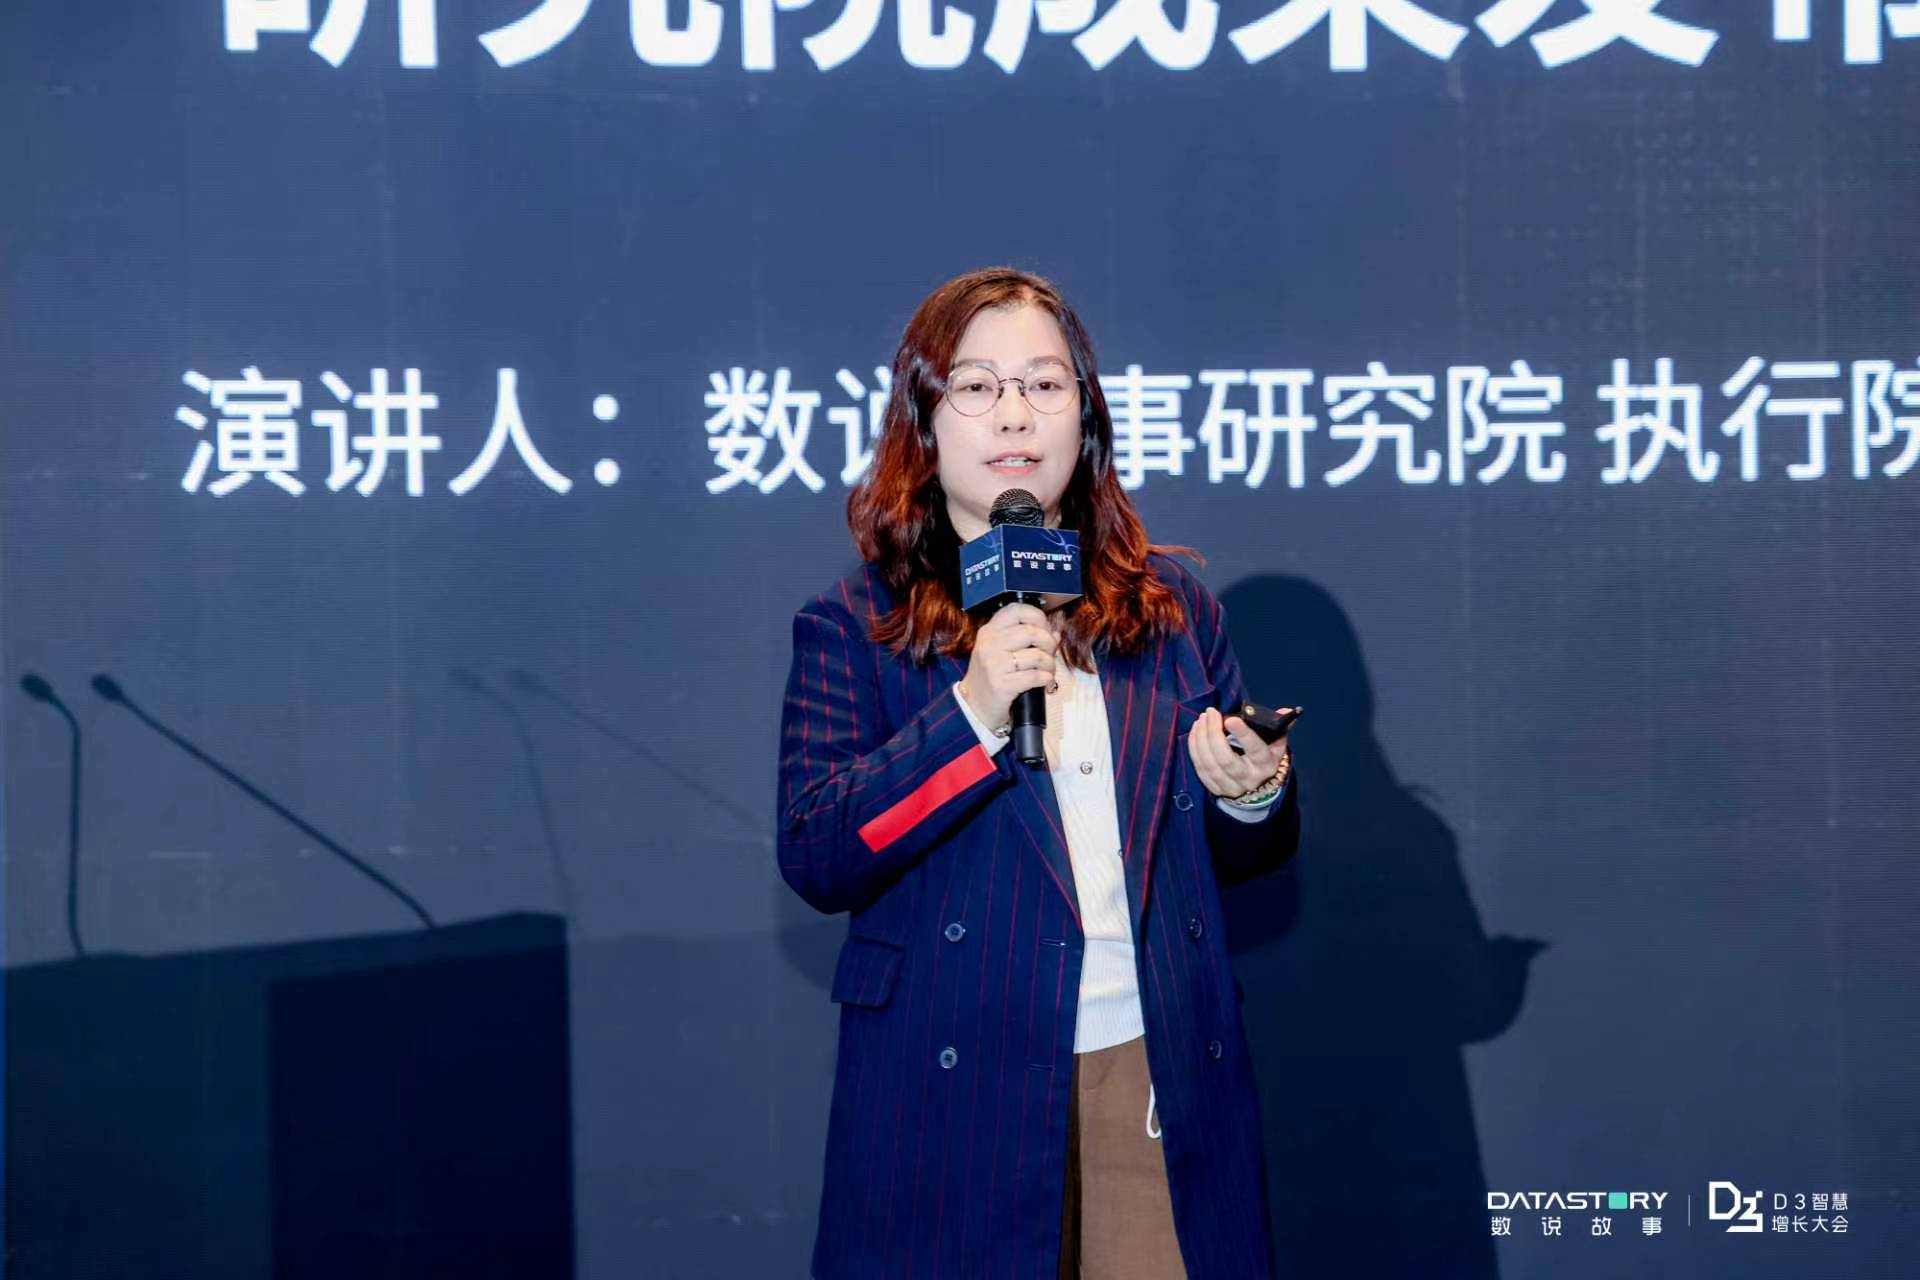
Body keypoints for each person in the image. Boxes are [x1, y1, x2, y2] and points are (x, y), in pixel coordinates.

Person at [776, 266, 1300, 1279]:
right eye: (977, 386)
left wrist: (1250, 792)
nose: (1015, 413)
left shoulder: (1169, 606)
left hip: (1153, 1063)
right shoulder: (855, 624)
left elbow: (1239, 856)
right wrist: (970, 715)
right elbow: (819, 852)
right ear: (925, 421)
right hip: (954, 1080)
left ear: (1086, 415)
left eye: (1046, 384)